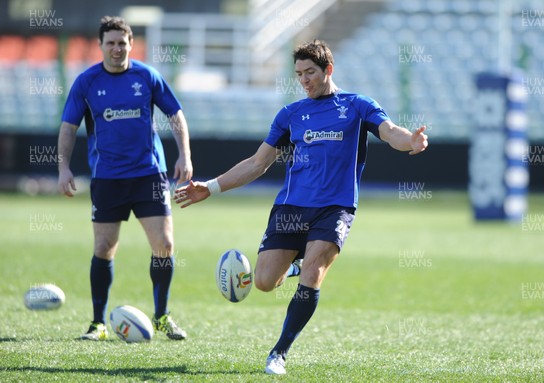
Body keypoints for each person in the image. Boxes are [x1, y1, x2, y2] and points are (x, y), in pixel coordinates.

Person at [174, 40, 428, 374]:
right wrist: (210, 186)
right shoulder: (291, 114)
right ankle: (292, 267)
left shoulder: (357, 106)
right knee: (264, 281)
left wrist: (410, 141)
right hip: (291, 208)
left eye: (310, 72)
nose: (304, 80)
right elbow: (257, 163)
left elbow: (390, 131)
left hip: (335, 208)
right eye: (299, 74)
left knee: (314, 273)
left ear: (328, 70)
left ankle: (279, 353)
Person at [58, 16, 193, 341]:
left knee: (164, 245)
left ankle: (161, 316)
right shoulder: (86, 82)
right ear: (101, 45)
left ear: (131, 44)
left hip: (149, 174)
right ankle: (98, 324)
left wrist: (185, 156)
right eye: (111, 43)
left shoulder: (147, 77)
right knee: (104, 247)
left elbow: (176, 115)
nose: (117, 48)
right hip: (108, 178)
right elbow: (68, 127)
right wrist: (63, 166)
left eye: (122, 43)